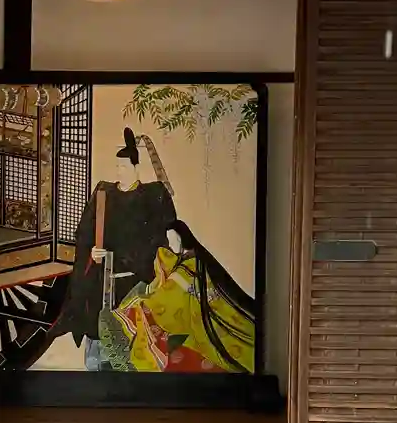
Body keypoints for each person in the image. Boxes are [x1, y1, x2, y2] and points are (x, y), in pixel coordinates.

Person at [49, 127, 176, 368]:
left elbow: (161, 235)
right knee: (98, 325)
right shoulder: (104, 193)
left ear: (136, 168)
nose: (120, 172)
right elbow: (84, 232)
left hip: (135, 277)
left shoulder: (150, 196)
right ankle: (96, 367)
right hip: (103, 276)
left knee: (130, 329)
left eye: (125, 167)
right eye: (117, 167)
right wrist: (91, 252)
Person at [98, 219, 256, 374]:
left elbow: (167, 299)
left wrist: (142, 304)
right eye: (169, 240)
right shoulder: (192, 260)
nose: (171, 244)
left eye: (173, 240)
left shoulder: (188, 265)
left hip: (206, 315)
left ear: (182, 238)